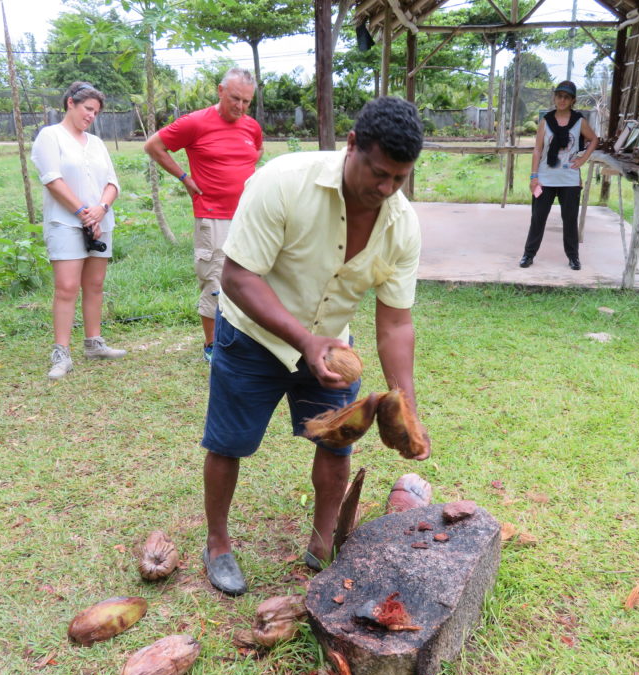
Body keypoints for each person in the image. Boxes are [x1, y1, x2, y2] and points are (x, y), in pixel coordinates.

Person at [199, 96, 431, 596]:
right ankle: (217, 544)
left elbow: (394, 321)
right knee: (228, 443)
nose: (387, 189)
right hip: (252, 334)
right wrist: (304, 340)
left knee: (337, 441)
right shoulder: (284, 181)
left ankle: (323, 543)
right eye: (379, 173)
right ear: (351, 146)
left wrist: (404, 402)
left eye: (400, 178)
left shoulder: (401, 224)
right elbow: (237, 278)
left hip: (330, 350)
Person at [143, 68, 263, 364]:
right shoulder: (196, 122)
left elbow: (256, 152)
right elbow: (153, 146)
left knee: (250, 279)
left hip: (248, 217)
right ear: (220, 91)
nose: (240, 106)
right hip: (213, 216)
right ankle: (212, 345)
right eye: (235, 98)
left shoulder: (251, 126)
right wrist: (184, 177)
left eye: (247, 101)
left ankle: (243, 339)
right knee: (215, 280)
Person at [31, 81, 123, 381]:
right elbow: (52, 179)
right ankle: (61, 352)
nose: (91, 116)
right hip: (66, 222)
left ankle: (94, 343)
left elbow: (112, 182)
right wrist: (83, 213)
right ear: (70, 103)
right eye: (87, 109)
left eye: (95, 112)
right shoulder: (50, 136)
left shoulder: (95, 143)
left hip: (99, 222)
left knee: (95, 285)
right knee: (67, 287)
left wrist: (101, 209)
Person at [519, 81, 599, 271]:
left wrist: (583, 159)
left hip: (569, 180)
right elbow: (538, 150)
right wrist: (534, 176)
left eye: (566, 97)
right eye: (559, 96)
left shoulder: (579, 121)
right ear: (554, 98)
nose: (562, 100)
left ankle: (573, 257)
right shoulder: (546, 121)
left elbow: (594, 139)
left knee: (570, 219)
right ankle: (528, 255)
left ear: (572, 100)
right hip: (545, 178)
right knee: (538, 218)